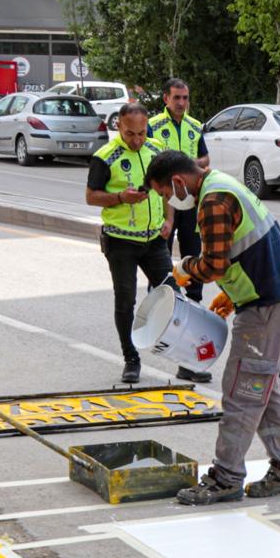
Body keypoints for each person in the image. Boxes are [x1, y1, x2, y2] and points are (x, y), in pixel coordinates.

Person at [142, 150, 280, 504]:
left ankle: (226, 478)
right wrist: (234, 296)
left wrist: (186, 269)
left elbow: (214, 264)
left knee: (241, 393)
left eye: (164, 194)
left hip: (269, 305)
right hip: (271, 298)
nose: (167, 200)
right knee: (261, 388)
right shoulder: (219, 184)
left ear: (177, 182)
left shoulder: (213, 200)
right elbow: (244, 250)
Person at [85, 103, 169, 383]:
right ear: (118, 127)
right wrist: (121, 197)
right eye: (130, 134)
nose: (137, 140)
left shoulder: (156, 149)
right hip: (121, 241)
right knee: (125, 301)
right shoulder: (105, 157)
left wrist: (169, 219)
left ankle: (173, 345)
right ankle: (131, 358)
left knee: (171, 291)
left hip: (155, 238)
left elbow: (167, 189)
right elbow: (91, 196)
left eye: (142, 133)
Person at [148, 78, 210, 309]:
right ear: (166, 98)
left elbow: (205, 158)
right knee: (160, 254)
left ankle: (194, 301)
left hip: (190, 199)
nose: (181, 102)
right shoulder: (153, 125)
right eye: (176, 97)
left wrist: (190, 164)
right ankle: (159, 299)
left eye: (185, 98)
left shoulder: (194, 125)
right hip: (165, 199)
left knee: (192, 251)